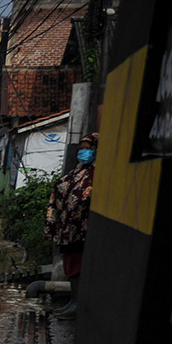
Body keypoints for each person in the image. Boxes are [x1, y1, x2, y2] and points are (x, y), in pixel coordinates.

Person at [44, 132, 97, 320]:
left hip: (82, 230)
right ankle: (72, 302)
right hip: (67, 230)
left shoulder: (95, 173)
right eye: (81, 148)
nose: (83, 152)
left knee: (78, 266)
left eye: (87, 148)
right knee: (71, 266)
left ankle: (77, 304)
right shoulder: (77, 171)